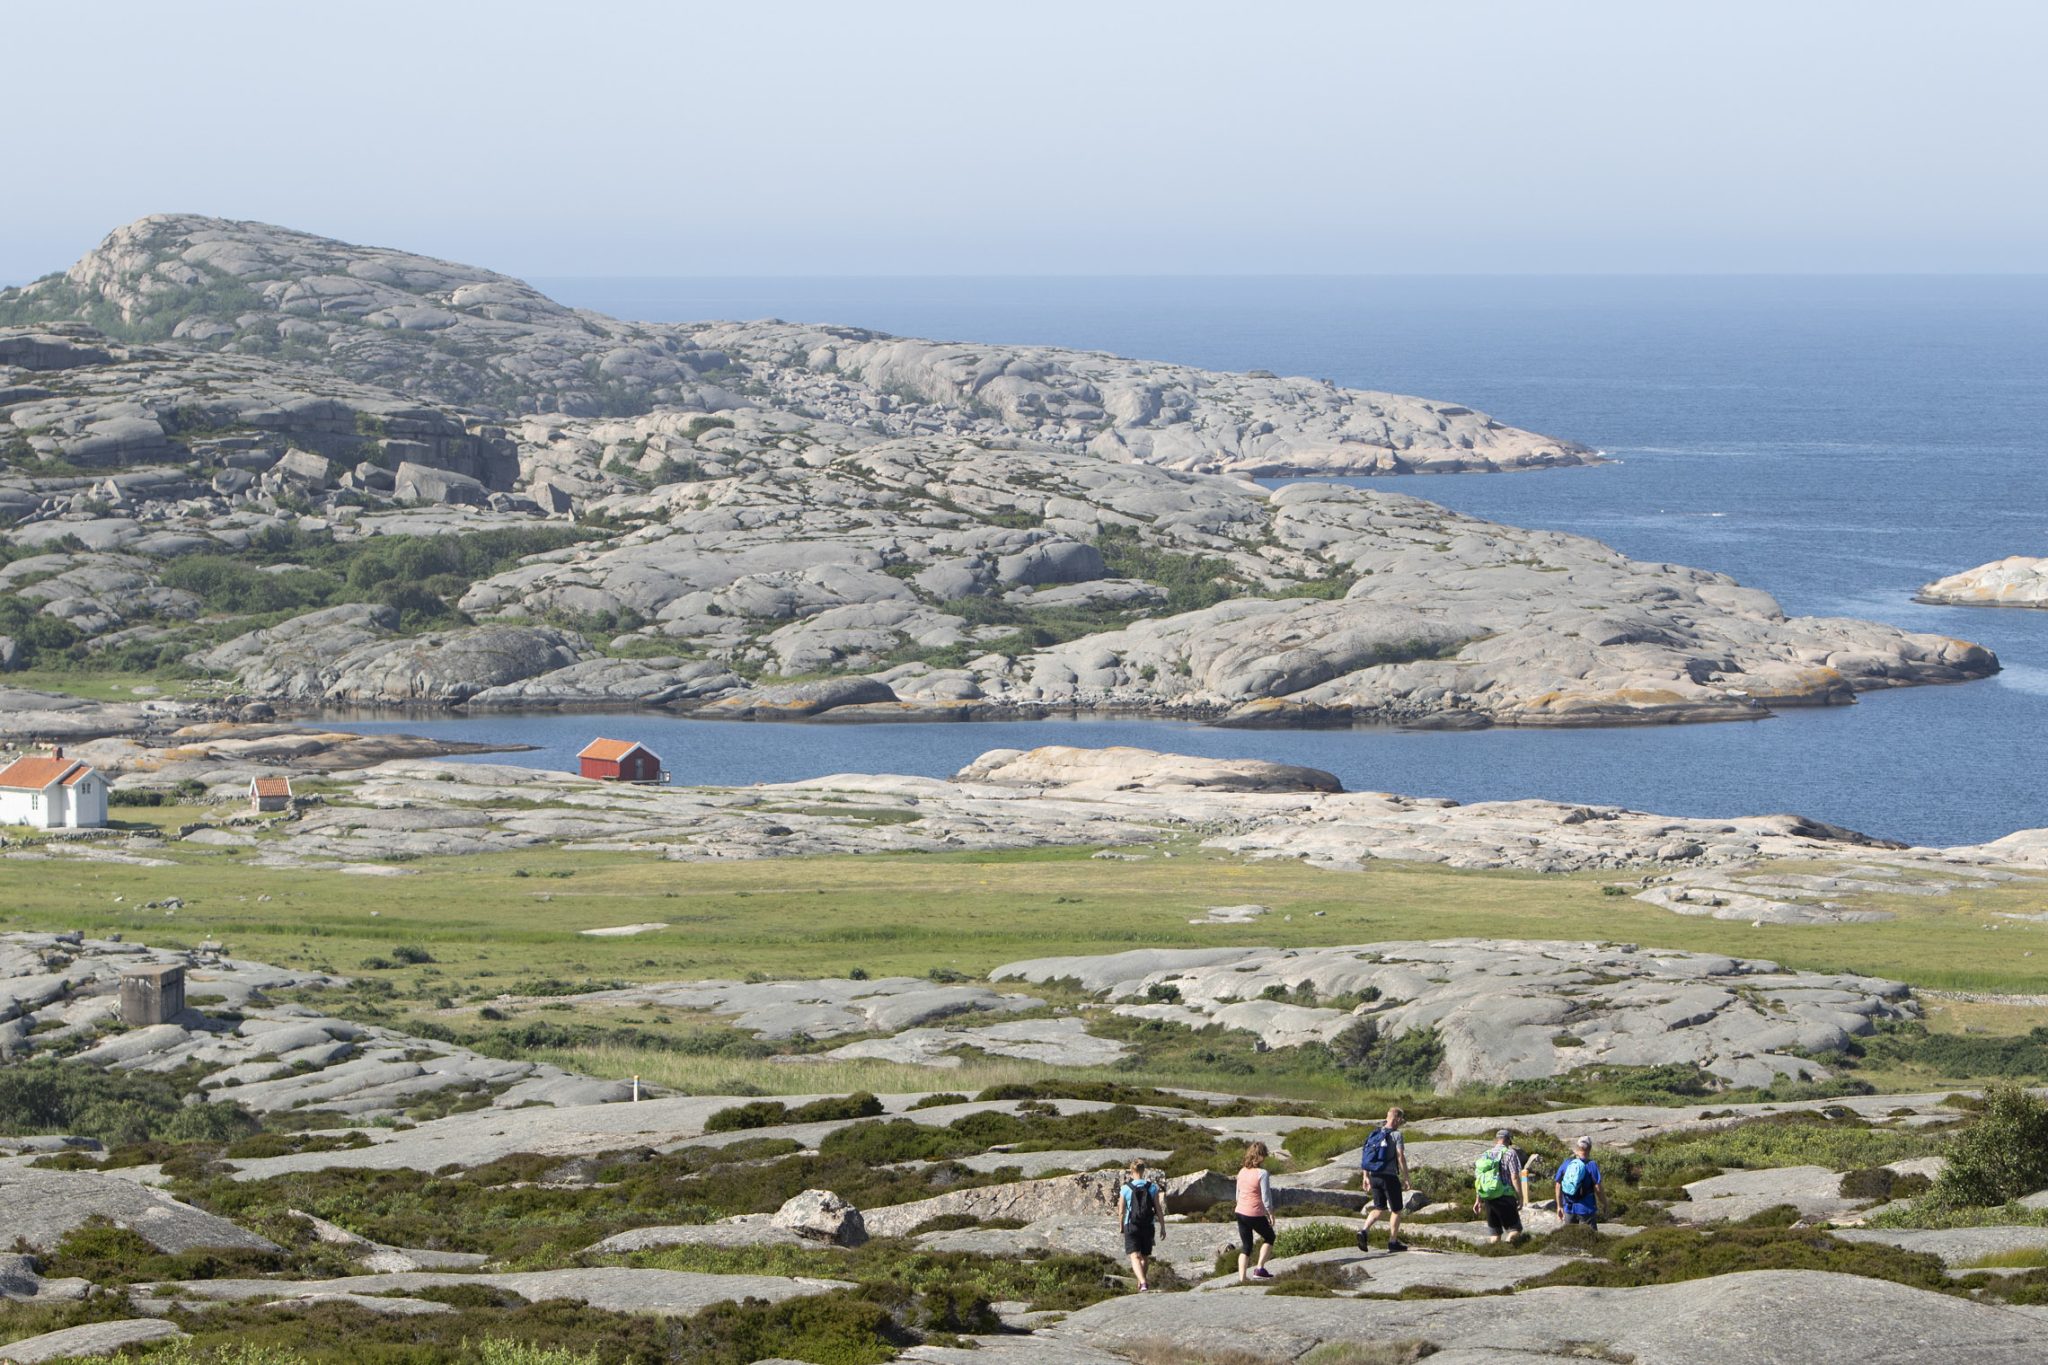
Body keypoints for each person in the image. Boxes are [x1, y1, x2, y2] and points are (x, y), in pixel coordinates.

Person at [1354, 1106, 1413, 1252]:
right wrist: (1406, 1177)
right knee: (1397, 1210)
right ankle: (1393, 1242)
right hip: (1389, 1177)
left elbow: (1366, 1156)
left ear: (1387, 1117)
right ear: (1398, 1119)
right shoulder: (1396, 1135)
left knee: (1379, 1208)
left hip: (1374, 1176)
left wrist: (1365, 1176)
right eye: (1401, 1120)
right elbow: (1400, 1156)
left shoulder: (1374, 1133)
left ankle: (1364, 1230)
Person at [1472, 1127, 1531, 1245]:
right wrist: (1520, 1197)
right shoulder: (1510, 1153)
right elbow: (1514, 1176)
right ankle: (1508, 1249)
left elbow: (1480, 1179)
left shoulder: (1485, 1155)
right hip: (1505, 1196)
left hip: (1488, 1197)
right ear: (1508, 1140)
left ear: (1496, 1140)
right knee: (1515, 1229)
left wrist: (1478, 1200)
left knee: (1495, 1234)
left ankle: (1494, 1253)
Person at [1117, 1158, 1166, 1291]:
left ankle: (1143, 1283)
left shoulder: (1125, 1188)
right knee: (1144, 1256)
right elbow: (1158, 1209)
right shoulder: (1152, 1187)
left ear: (1131, 1172)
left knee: (1134, 1256)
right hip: (1148, 1225)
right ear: (1143, 1171)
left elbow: (1121, 1211)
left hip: (1131, 1225)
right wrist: (1162, 1226)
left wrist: (1121, 1226)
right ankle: (1142, 1283)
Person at [1234, 1141, 1277, 1283]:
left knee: (1246, 1246)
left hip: (1240, 1211)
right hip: (1254, 1212)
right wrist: (1270, 1213)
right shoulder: (1262, 1173)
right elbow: (1266, 1196)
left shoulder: (1242, 1171)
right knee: (1270, 1237)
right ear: (1261, 1156)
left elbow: (1237, 1194)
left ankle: (1242, 1279)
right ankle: (1260, 1269)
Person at [1557, 1135, 1607, 1229]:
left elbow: (1558, 1184)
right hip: (1586, 1209)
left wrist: (1559, 1206)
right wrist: (1604, 1203)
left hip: (1569, 1208)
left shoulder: (1567, 1163)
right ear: (1590, 1148)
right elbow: (1598, 1188)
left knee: (1569, 1239)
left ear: (1577, 1148)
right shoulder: (1591, 1165)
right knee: (1589, 1239)